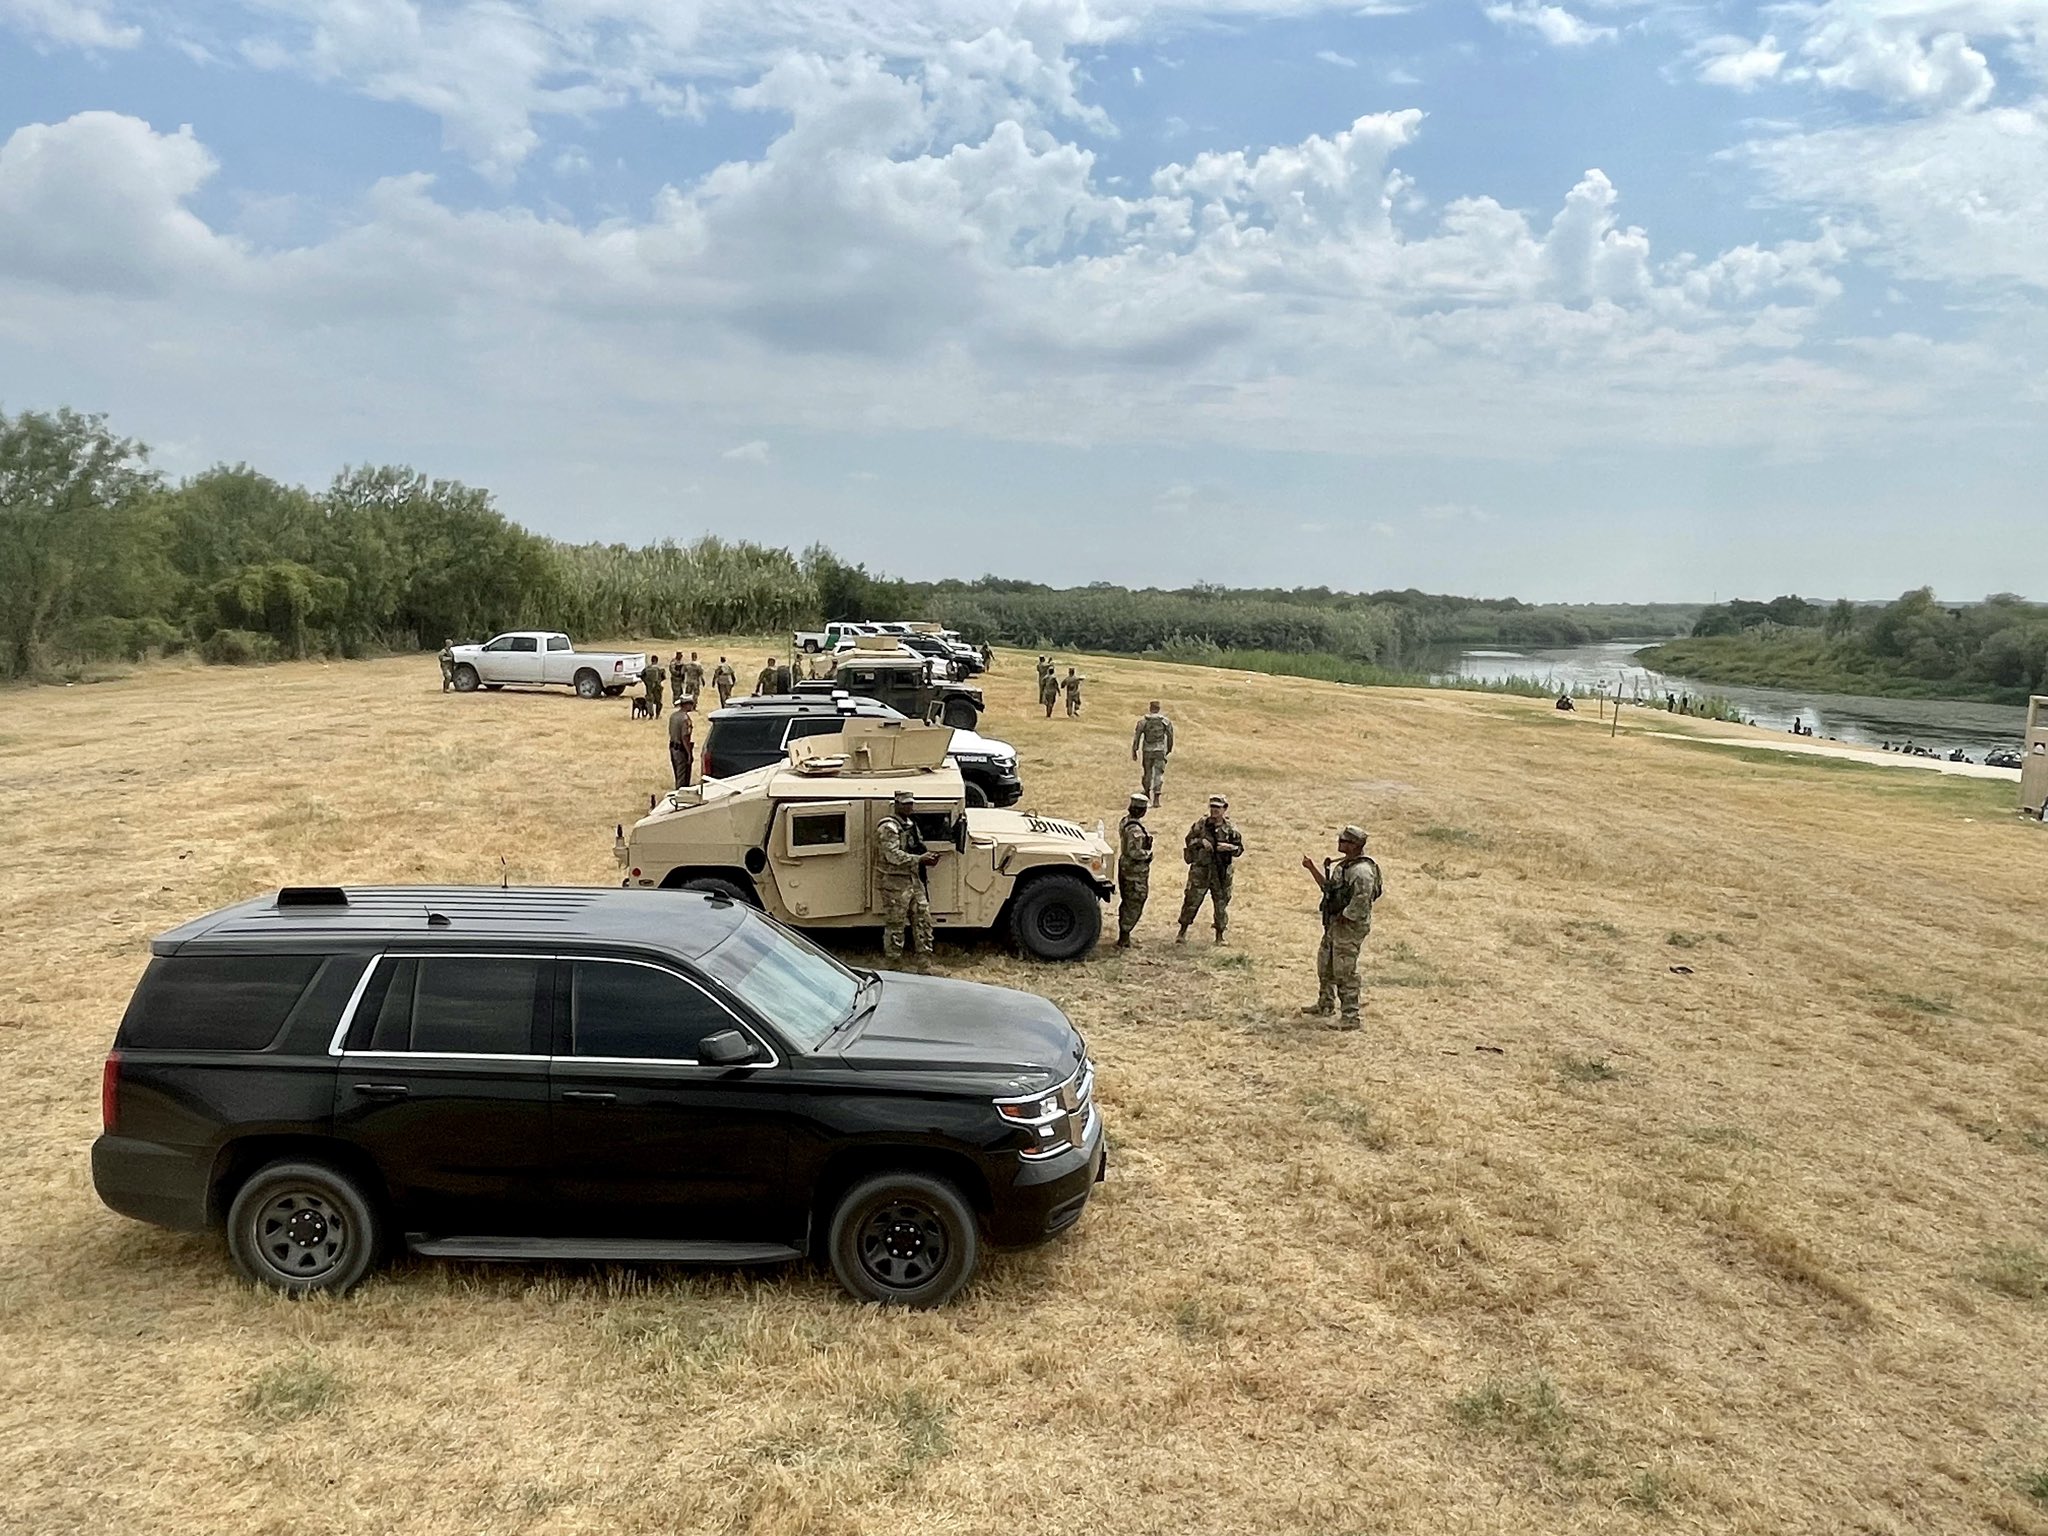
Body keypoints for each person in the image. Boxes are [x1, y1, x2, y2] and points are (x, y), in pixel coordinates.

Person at [1301, 825, 1383, 1029]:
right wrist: (1312, 869)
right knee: (1325, 964)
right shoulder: (1344, 866)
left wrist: (1343, 919)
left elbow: (1361, 903)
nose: (1340, 843)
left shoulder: (1362, 872)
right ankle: (1325, 1004)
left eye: (1344, 841)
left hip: (1348, 927)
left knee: (1344, 970)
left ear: (1355, 845)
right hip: (1335, 924)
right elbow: (1329, 890)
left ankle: (1350, 1017)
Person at [874, 788, 938, 960]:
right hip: (894, 882)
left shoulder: (910, 824)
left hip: (913, 879)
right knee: (896, 924)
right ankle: (893, 962)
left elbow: (916, 846)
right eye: (905, 804)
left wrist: (927, 857)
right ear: (896, 805)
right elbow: (892, 856)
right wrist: (919, 859)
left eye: (911, 804)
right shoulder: (889, 827)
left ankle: (924, 962)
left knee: (923, 920)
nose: (909, 807)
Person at [1178, 794, 1243, 944]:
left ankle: (1220, 935)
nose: (1214, 810)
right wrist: (1201, 842)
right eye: (1212, 807)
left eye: (1218, 808)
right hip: (1201, 869)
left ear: (1224, 809)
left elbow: (1239, 849)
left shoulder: (1230, 829)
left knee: (1221, 903)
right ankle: (1182, 931)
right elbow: (1189, 840)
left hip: (1221, 872)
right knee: (1191, 900)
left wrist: (1229, 848)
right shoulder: (1202, 824)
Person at [1115, 792, 1154, 947]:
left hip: (1126, 866)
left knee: (1128, 900)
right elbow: (1135, 852)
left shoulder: (1125, 821)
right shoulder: (1135, 830)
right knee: (1135, 901)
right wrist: (1149, 854)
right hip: (1134, 871)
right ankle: (1124, 936)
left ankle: (1124, 935)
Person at [1132, 701, 1175, 806]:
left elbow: (1137, 736)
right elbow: (1170, 736)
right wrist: (1169, 748)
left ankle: (1146, 793)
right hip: (1160, 749)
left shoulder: (1143, 722)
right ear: (1159, 708)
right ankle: (1156, 797)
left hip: (1147, 749)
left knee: (1148, 773)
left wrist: (1135, 749)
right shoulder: (1165, 721)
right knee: (1158, 774)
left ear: (1150, 708)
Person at [667, 702, 695, 788]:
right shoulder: (685, 719)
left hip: (673, 748)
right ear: (686, 705)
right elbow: (685, 737)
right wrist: (689, 754)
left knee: (677, 774)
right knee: (683, 779)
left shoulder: (673, 716)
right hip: (681, 750)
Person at [639, 654, 666, 718]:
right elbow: (664, 677)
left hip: (649, 687)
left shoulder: (647, 669)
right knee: (658, 701)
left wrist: (646, 682)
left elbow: (641, 676)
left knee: (649, 701)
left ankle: (651, 714)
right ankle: (657, 715)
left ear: (651, 660)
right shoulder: (660, 669)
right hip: (657, 687)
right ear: (657, 660)